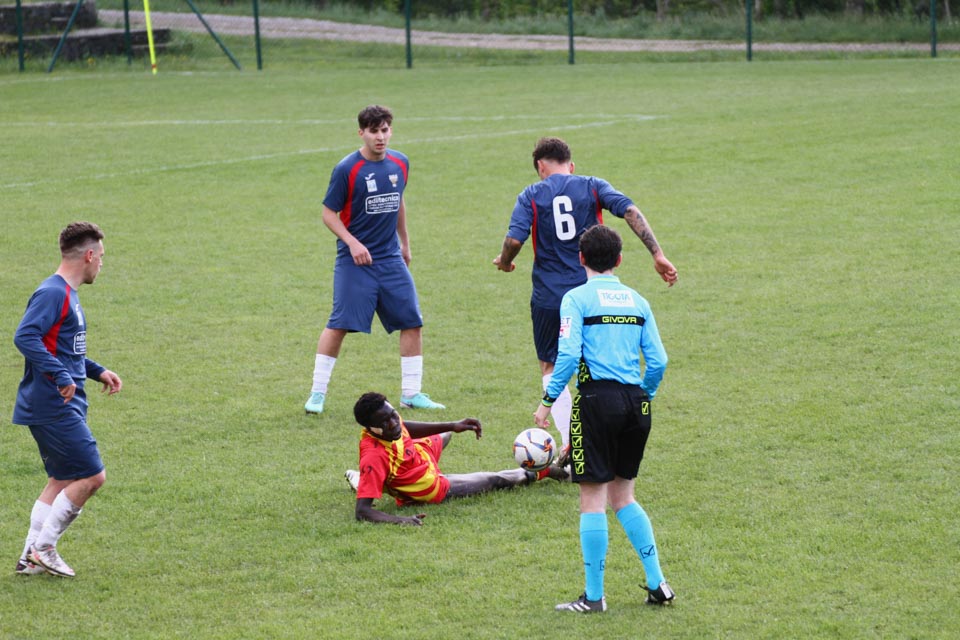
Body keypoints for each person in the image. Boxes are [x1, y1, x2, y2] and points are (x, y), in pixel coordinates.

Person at [494, 136, 677, 454]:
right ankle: (605, 433)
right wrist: (657, 254)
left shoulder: (531, 194)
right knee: (593, 363)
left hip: (550, 296)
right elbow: (629, 210)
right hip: (592, 294)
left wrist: (505, 262)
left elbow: (514, 240)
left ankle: (570, 443)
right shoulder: (592, 185)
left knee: (551, 365)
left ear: (540, 166)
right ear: (571, 165)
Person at [533, 224, 673, 613]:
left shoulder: (576, 299)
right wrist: (644, 395)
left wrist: (546, 403)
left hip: (596, 403)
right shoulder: (638, 300)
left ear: (581, 258)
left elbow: (567, 356)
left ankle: (594, 598)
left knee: (592, 497)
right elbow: (659, 361)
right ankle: (658, 583)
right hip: (636, 404)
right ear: (620, 260)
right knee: (624, 496)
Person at [305, 105, 444, 415]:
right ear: (361, 133)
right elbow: (328, 213)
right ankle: (317, 393)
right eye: (373, 131)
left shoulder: (401, 163)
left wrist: (405, 243)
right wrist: (352, 243)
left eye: (385, 130)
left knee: (412, 321)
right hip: (355, 263)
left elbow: (398, 201)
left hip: (390, 258)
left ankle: (411, 393)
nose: (380, 137)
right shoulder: (347, 169)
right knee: (339, 324)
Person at [11, 221, 123, 578]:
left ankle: (28, 558)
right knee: (92, 476)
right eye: (101, 256)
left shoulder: (66, 294)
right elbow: (25, 336)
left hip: (55, 402)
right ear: (89, 255)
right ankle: (44, 549)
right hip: (53, 403)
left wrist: (97, 371)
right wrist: (60, 375)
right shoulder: (53, 293)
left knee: (61, 479)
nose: (102, 263)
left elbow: (63, 350)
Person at [345, 392, 565, 525]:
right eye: (385, 423)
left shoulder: (389, 420)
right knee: (494, 480)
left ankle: (365, 481)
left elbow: (405, 427)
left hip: (419, 454)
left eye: (393, 415)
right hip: (428, 485)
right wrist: (402, 520)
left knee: (446, 434)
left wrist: (453, 425)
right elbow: (363, 512)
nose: (394, 423)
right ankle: (548, 470)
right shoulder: (374, 457)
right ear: (371, 428)